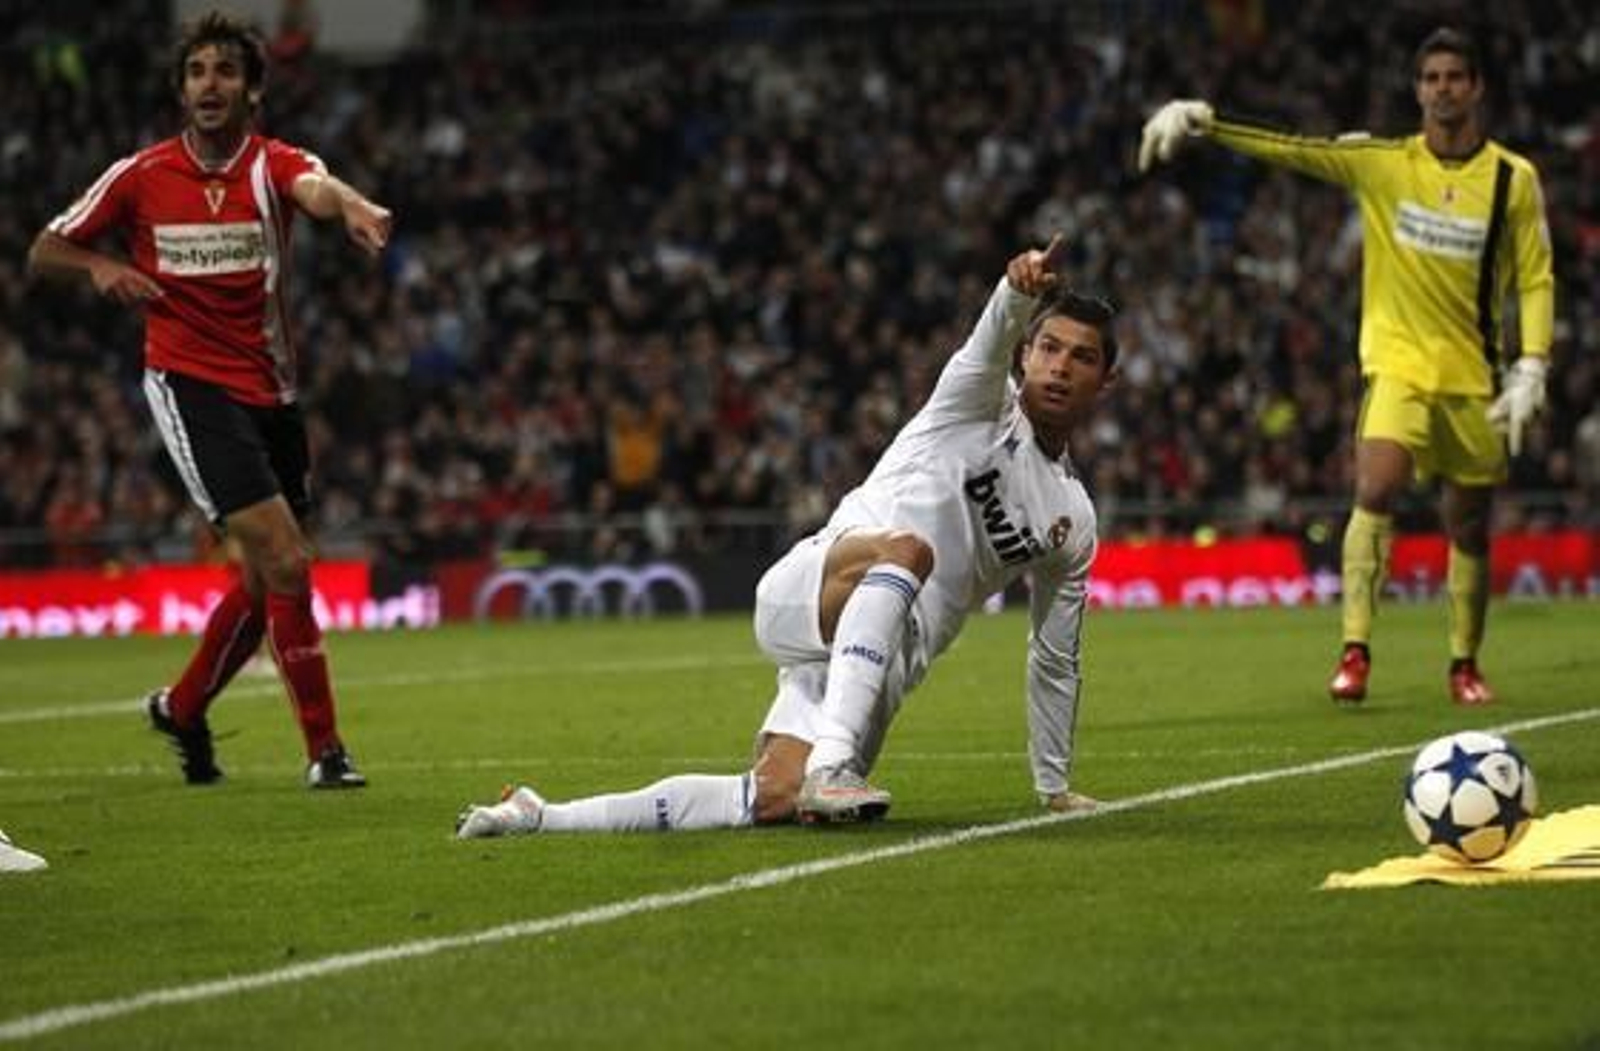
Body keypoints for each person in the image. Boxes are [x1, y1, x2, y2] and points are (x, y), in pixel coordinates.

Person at [457, 238, 1114, 836]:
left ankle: (538, 814)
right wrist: (1016, 291)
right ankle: (833, 768)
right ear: (1025, 355)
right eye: (1048, 348)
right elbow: (989, 335)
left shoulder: (1071, 517)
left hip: (884, 656)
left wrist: (1053, 786)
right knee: (909, 549)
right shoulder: (978, 399)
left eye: (1081, 357)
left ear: (1105, 381)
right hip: (818, 585)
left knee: (769, 797)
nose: (1059, 367)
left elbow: (1053, 655)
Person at [1137, 26, 1555, 707]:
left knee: (1471, 524)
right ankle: (1355, 650)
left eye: (1455, 76)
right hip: (1398, 365)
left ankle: (1463, 661)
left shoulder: (1513, 178)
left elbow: (1535, 278)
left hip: (1476, 376)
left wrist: (1533, 364)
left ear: (1475, 87)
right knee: (1377, 486)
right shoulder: (1385, 164)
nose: (1443, 88)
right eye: (1432, 78)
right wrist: (1208, 123)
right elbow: (1294, 148)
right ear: (1418, 91)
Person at [27, 10, 392, 787]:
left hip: (273, 391)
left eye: (226, 72)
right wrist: (96, 269)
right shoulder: (139, 175)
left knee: (266, 587)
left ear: (252, 90)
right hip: (189, 384)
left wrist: (354, 204)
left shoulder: (272, 164)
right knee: (289, 560)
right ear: (181, 89)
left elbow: (316, 188)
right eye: (197, 72)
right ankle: (327, 753)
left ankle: (184, 707)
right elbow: (46, 247)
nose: (210, 85)